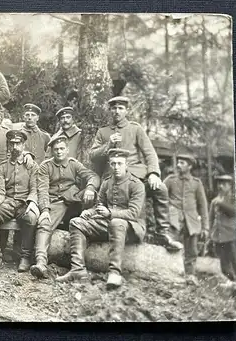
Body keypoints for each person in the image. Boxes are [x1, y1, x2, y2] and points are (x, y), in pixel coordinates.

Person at [89, 96, 183, 252]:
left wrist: (153, 173)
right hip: (114, 179)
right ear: (110, 110)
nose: (117, 111)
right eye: (113, 108)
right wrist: (108, 145)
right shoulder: (103, 132)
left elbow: (149, 153)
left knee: (160, 189)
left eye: (120, 108)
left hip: (136, 178)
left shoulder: (135, 129)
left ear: (126, 110)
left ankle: (163, 233)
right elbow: (92, 156)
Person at [58, 148, 146, 288]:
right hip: (107, 223)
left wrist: (110, 213)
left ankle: (114, 272)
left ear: (126, 164)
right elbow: (100, 205)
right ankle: (77, 269)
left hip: (131, 228)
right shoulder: (107, 182)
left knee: (116, 223)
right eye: (113, 164)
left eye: (119, 163)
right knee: (76, 222)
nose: (116, 167)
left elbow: (133, 213)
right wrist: (90, 212)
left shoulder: (136, 184)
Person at [30, 135, 100, 279]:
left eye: (62, 148)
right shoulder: (45, 166)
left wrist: (90, 188)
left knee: (92, 195)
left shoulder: (74, 164)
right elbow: (42, 190)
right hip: (56, 202)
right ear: (52, 151)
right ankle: (41, 263)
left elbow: (93, 176)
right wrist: (44, 210)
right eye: (56, 149)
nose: (59, 152)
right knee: (44, 224)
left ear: (67, 150)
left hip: (74, 201)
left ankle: (93, 232)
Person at [0, 130, 40, 272]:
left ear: (23, 145)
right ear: (8, 145)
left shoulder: (32, 166)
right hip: (7, 202)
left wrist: (32, 202)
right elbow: (1, 189)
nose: (15, 147)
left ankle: (25, 257)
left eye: (18, 143)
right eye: (12, 144)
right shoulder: (2, 166)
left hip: (24, 203)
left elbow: (34, 188)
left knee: (31, 217)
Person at [164, 154, 209, 285]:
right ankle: (170, 274)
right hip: (173, 220)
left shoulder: (196, 183)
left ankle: (190, 276)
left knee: (192, 250)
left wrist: (205, 227)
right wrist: (168, 210)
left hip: (192, 221)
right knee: (171, 246)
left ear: (190, 166)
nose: (178, 165)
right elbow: (160, 195)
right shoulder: (170, 180)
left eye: (182, 163)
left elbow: (203, 205)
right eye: (178, 162)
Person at [209, 174, 236, 287]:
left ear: (230, 186)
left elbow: (234, 212)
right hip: (218, 236)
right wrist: (210, 235)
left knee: (235, 260)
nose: (220, 186)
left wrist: (221, 204)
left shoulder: (234, 199)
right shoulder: (214, 201)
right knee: (224, 264)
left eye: (224, 184)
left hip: (231, 235)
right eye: (219, 183)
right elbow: (211, 219)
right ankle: (232, 282)